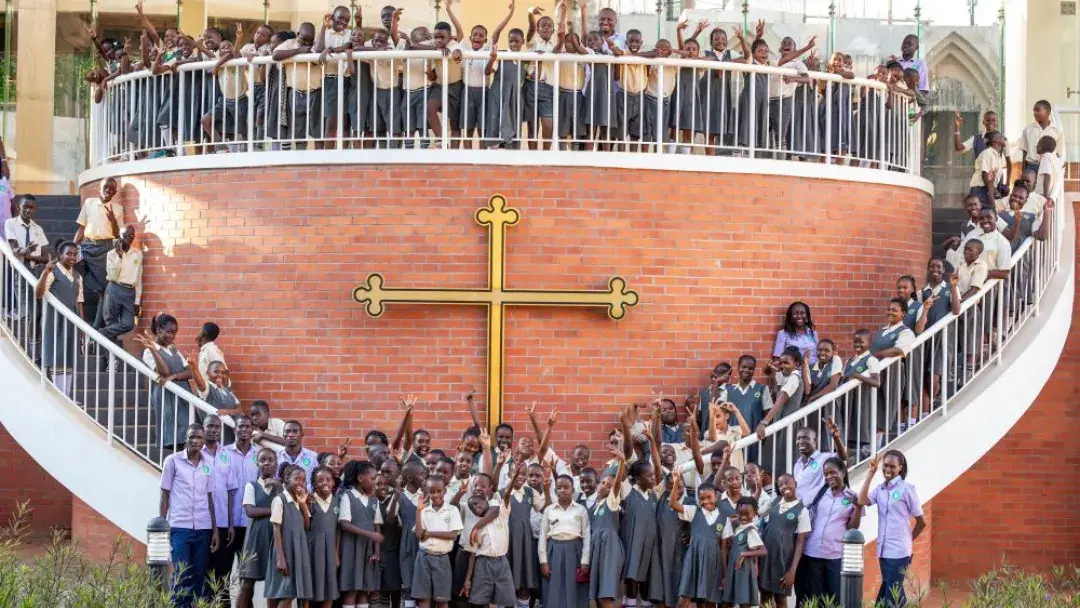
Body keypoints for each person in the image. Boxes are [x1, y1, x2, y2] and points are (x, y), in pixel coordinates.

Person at [159, 423, 220, 608]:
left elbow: (210, 498)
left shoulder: (208, 465)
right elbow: (165, 494)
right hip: (180, 527)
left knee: (199, 574)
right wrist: (162, 525)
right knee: (181, 574)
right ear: (186, 439)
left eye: (199, 438)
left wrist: (215, 530)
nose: (195, 441)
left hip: (203, 528)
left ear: (203, 441)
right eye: (192, 437)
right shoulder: (173, 461)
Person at [858, 450, 926, 608]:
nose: (888, 470)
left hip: (899, 551)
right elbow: (862, 501)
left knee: (892, 593)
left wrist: (907, 541)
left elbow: (922, 522)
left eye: (892, 466)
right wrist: (870, 473)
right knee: (890, 589)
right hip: (883, 550)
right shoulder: (880, 489)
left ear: (900, 468)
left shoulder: (906, 489)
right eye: (885, 466)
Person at [794, 457, 860, 607]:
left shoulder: (851, 497)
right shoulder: (818, 493)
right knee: (815, 598)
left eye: (833, 472)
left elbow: (852, 527)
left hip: (835, 555)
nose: (829, 476)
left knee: (834, 598)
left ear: (843, 472)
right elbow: (801, 507)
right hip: (812, 553)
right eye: (826, 473)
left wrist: (858, 507)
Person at [136, 314, 204, 452]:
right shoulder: (148, 352)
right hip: (167, 398)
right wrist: (154, 350)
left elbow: (190, 372)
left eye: (174, 333)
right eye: (169, 332)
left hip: (183, 396)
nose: (172, 336)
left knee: (190, 432)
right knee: (176, 436)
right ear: (159, 330)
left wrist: (175, 376)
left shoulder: (173, 349)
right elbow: (164, 373)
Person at [34, 242, 83, 395]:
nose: (72, 257)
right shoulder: (53, 271)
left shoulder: (77, 276)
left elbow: (79, 301)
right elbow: (38, 293)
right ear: (60, 255)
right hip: (55, 321)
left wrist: (82, 325)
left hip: (71, 321)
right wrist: (45, 273)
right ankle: (58, 395)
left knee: (69, 359)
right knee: (57, 357)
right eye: (68, 253)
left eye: (75, 254)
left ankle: (66, 396)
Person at [665, 475, 722, 607]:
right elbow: (672, 504)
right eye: (702, 498)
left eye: (709, 497)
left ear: (716, 497)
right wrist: (675, 482)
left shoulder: (722, 518)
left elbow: (724, 546)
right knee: (684, 598)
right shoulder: (694, 511)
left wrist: (723, 571)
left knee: (707, 601)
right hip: (693, 560)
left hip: (711, 562)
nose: (706, 501)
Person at [461, 475, 517, 608]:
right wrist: (468, 579)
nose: (475, 506)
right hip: (483, 563)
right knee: (479, 601)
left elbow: (507, 493)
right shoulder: (475, 530)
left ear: (486, 502)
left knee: (508, 600)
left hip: (501, 561)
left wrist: (514, 477)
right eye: (471, 506)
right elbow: (473, 554)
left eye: (477, 503)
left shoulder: (500, 512)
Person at [201, 415, 238, 606]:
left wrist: (231, 524)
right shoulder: (196, 454)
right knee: (205, 572)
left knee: (224, 572)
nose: (214, 430)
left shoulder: (226, 455)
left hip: (224, 524)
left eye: (217, 426)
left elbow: (232, 491)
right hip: (202, 524)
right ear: (203, 428)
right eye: (210, 426)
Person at [73, 178, 122, 326]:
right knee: (74, 268)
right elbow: (81, 228)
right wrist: (72, 246)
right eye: (106, 187)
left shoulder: (117, 208)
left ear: (115, 192)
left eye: (112, 189)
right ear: (100, 188)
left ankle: (96, 326)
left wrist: (113, 220)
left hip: (105, 248)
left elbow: (118, 234)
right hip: (87, 245)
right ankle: (77, 315)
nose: (108, 190)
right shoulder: (89, 203)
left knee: (104, 290)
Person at [265, 464, 315, 607]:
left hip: (298, 551)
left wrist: (303, 505)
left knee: (290, 591)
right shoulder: (280, 500)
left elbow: (307, 526)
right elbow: (276, 529)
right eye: (297, 479)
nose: (300, 482)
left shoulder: (299, 500)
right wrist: (280, 558)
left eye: (303, 480)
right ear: (286, 479)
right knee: (286, 592)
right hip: (284, 551)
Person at [758, 473, 811, 608]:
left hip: (783, 557)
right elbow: (758, 512)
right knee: (764, 594)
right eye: (780, 485)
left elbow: (800, 542)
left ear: (795, 483)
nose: (784, 486)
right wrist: (758, 487)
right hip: (766, 554)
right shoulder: (775, 501)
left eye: (787, 482)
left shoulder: (802, 510)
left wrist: (792, 571)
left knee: (780, 597)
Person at [539, 474, 590, 608]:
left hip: (575, 550)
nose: (562, 490)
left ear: (573, 490)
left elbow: (586, 536)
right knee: (554, 588)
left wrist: (585, 561)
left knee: (574, 587)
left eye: (566, 487)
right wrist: (543, 561)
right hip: (553, 550)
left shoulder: (580, 510)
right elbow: (543, 536)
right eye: (559, 487)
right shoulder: (549, 510)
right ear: (555, 491)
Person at [237, 447, 279, 608]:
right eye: (262, 460)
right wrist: (275, 510)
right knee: (247, 581)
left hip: (275, 539)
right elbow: (251, 511)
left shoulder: (280, 487)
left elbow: (288, 507)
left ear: (276, 464)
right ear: (257, 463)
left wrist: (279, 485)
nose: (266, 463)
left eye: (270, 460)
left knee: (273, 583)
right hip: (255, 538)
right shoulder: (252, 486)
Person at [414, 475, 464, 608]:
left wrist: (429, 533)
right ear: (427, 492)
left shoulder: (452, 510)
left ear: (445, 491)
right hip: (423, 557)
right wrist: (418, 510)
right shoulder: (423, 511)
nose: (435, 495)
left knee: (442, 600)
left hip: (442, 559)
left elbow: (453, 535)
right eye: (431, 491)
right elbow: (419, 534)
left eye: (439, 491)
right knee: (423, 598)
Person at [272, 23, 323, 149]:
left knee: (318, 131)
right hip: (295, 94)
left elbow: (318, 56)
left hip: (315, 92)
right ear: (297, 34)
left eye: (309, 40)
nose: (306, 43)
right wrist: (299, 51)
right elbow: (275, 55)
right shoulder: (289, 43)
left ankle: (321, 159)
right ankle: (301, 156)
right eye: (303, 39)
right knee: (298, 130)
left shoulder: (317, 44)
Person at [588, 452, 625, 608]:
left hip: (609, 548)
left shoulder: (612, 502)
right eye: (603, 483)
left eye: (609, 486)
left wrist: (622, 461)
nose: (605, 486)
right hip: (597, 548)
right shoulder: (595, 506)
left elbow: (616, 485)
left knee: (605, 597)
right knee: (597, 596)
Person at [313, 7, 353, 143]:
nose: (343, 22)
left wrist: (329, 49)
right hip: (330, 81)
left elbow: (347, 45)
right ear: (332, 17)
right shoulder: (326, 33)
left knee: (346, 122)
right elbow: (318, 50)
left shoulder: (349, 32)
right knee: (331, 122)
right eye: (340, 18)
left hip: (347, 80)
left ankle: (346, 158)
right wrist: (324, 27)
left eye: (347, 20)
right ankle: (328, 157)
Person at [98, 225, 141, 347]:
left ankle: (98, 334)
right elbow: (112, 275)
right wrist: (119, 256)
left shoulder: (137, 254)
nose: (129, 238)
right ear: (120, 236)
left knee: (129, 324)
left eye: (131, 236)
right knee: (111, 323)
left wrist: (137, 300)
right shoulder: (112, 254)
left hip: (129, 292)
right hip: (114, 288)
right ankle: (111, 360)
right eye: (125, 236)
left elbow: (138, 279)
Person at [720, 496, 765, 608]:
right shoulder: (740, 526)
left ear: (755, 513)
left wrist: (743, 554)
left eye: (747, 514)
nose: (743, 517)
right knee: (729, 599)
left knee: (744, 600)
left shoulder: (751, 530)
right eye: (740, 514)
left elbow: (763, 551)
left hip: (744, 569)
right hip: (735, 567)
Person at [306, 466, 340, 608]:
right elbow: (305, 526)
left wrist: (337, 553)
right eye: (320, 480)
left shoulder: (338, 501)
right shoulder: (309, 500)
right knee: (309, 587)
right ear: (314, 484)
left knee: (330, 587)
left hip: (330, 551)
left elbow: (339, 530)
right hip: (312, 550)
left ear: (333, 482)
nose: (325, 483)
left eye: (328, 480)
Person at [523, 6, 556, 149]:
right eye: (543, 26)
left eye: (550, 26)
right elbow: (530, 29)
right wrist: (530, 13)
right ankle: (533, 156)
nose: (546, 28)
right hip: (531, 86)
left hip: (547, 87)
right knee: (532, 125)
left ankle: (546, 154)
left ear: (553, 30)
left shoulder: (555, 47)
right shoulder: (533, 43)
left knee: (548, 123)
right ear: (538, 29)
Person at [1017, 100, 1063, 175]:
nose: (1035, 113)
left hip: (1049, 167)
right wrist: (1024, 169)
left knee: (1046, 186)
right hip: (1031, 166)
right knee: (1030, 186)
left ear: (1047, 112)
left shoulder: (1057, 131)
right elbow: (1025, 151)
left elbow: (1058, 154)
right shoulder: (1028, 129)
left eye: (1037, 110)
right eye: (1034, 111)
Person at [5, 195, 50, 271]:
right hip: (16, 269)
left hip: (34, 271)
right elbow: (15, 250)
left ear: (35, 209)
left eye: (31, 207)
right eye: (25, 207)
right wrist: (27, 250)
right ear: (18, 207)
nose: (28, 210)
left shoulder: (38, 229)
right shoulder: (10, 223)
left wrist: (31, 257)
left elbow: (46, 258)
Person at [968, 131, 1008, 209]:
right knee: (981, 216)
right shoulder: (987, 153)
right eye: (1001, 136)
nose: (1004, 139)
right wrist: (994, 191)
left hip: (988, 189)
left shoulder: (998, 156)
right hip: (980, 190)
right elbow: (985, 174)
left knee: (987, 216)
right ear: (996, 140)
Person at [278, 420, 320, 487]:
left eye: (295, 431)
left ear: (302, 435)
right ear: (283, 435)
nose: (291, 435)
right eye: (288, 431)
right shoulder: (276, 457)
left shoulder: (314, 457)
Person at [1036, 135, 1064, 208]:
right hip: (1050, 195)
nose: (1036, 146)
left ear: (1042, 146)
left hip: (1042, 195)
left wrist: (1045, 197)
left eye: (1038, 144)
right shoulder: (1055, 158)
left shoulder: (1046, 157)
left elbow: (1047, 176)